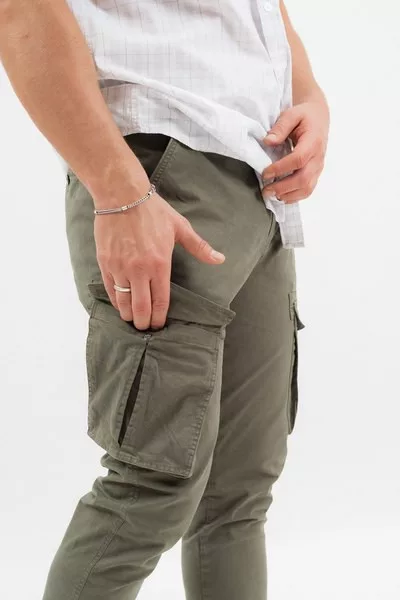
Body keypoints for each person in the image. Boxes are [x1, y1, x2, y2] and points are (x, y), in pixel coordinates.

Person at [0, 1, 329, 598]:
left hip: (261, 180)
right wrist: (119, 191)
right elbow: (21, 11)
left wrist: (308, 94)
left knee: (237, 494)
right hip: (159, 171)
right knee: (151, 488)